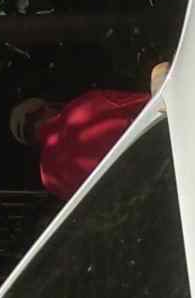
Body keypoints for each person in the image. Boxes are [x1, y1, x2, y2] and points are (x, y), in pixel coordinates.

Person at [10, 63, 168, 199]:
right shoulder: (83, 105)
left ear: (31, 142)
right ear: (43, 108)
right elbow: (153, 103)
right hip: (166, 150)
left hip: (150, 196)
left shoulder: (49, 179)